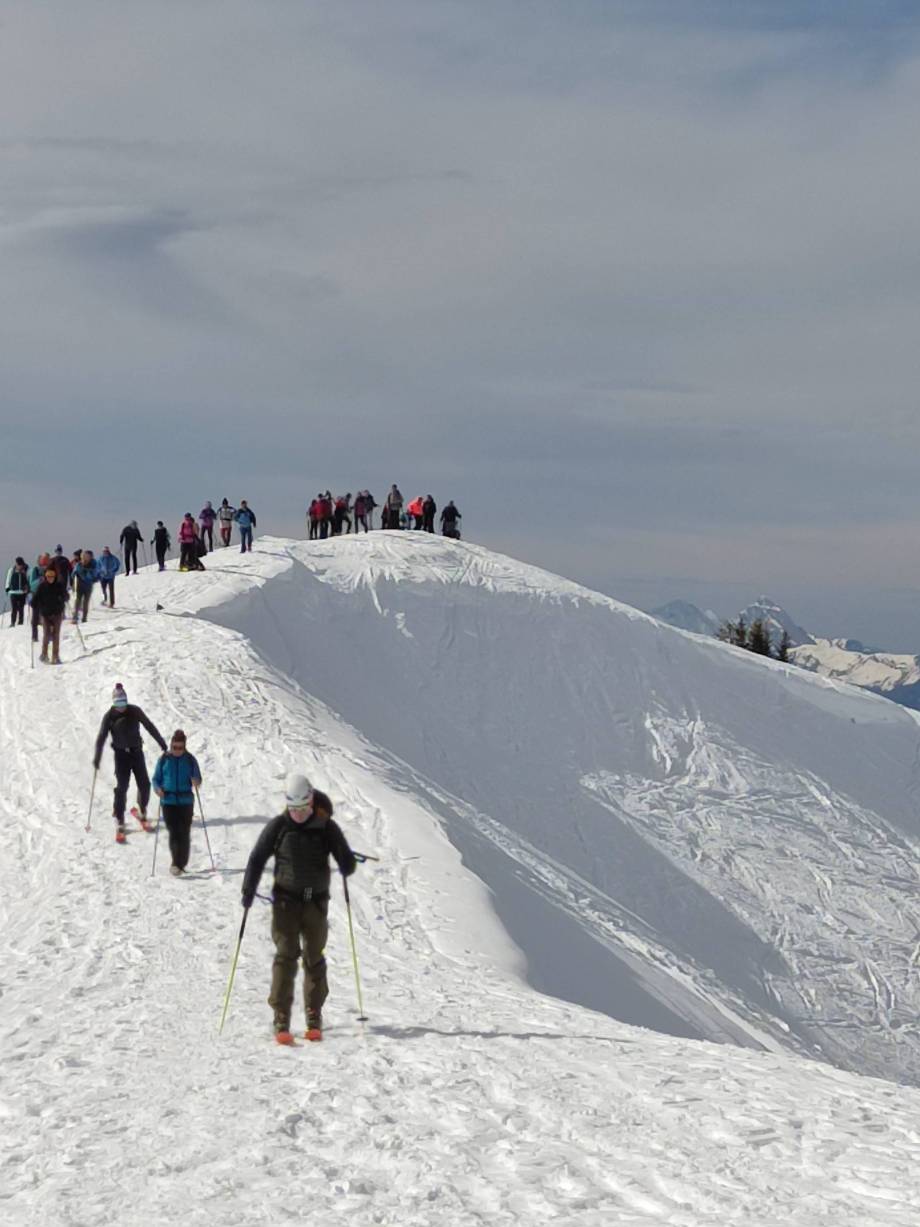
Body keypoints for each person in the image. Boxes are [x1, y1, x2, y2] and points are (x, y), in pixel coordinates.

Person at [241, 773, 357, 1043]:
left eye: (303, 809)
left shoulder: (326, 827)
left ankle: (314, 1014)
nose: (299, 815)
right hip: (286, 902)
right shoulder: (279, 826)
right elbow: (257, 858)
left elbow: (347, 862)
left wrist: (345, 860)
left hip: (316, 902)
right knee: (285, 956)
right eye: (294, 809)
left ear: (311, 802)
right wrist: (248, 890)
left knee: (314, 957)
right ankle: (281, 1016)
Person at [93, 684, 168, 842]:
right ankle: (119, 819)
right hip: (121, 756)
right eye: (118, 703)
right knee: (122, 787)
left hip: (137, 753)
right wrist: (97, 758)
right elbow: (101, 737)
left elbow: (149, 726)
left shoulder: (135, 711)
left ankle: (141, 810)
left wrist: (161, 742)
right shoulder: (109, 716)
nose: (121, 707)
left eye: (123, 702)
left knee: (145, 784)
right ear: (113, 703)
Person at [153, 729, 202, 876]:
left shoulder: (190, 760)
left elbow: (198, 778)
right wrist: (158, 789)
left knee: (184, 832)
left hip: (186, 801)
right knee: (174, 831)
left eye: (180, 748)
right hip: (168, 801)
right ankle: (176, 863)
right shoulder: (164, 759)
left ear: (184, 747)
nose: (177, 750)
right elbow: (156, 779)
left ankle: (182, 863)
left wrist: (196, 781)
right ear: (171, 745)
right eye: (174, 747)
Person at [33, 565, 68, 663]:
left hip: (57, 613)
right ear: (46, 577)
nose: (50, 578)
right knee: (46, 634)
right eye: (48, 576)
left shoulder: (59, 586)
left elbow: (66, 595)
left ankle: (55, 656)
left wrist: (64, 597)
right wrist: (34, 603)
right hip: (45, 614)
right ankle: (44, 654)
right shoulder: (42, 586)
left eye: (52, 576)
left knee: (56, 635)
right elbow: (35, 598)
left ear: (55, 576)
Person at [72, 551, 99, 623]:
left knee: (86, 602)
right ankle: (75, 617)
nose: (84, 558)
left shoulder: (93, 565)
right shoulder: (79, 565)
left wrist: (89, 574)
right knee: (78, 601)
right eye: (82, 557)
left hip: (88, 585)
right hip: (79, 585)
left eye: (85, 557)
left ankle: (84, 618)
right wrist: (74, 577)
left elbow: (95, 574)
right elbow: (73, 573)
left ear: (90, 557)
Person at [5, 557, 30, 626]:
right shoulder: (11, 570)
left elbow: (28, 580)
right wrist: (7, 589)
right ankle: (13, 622)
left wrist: (27, 589)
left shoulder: (26, 571)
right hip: (13, 592)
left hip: (22, 593)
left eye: (20, 565)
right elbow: (8, 579)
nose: (19, 566)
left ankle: (20, 623)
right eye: (18, 564)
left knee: (21, 608)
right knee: (14, 608)